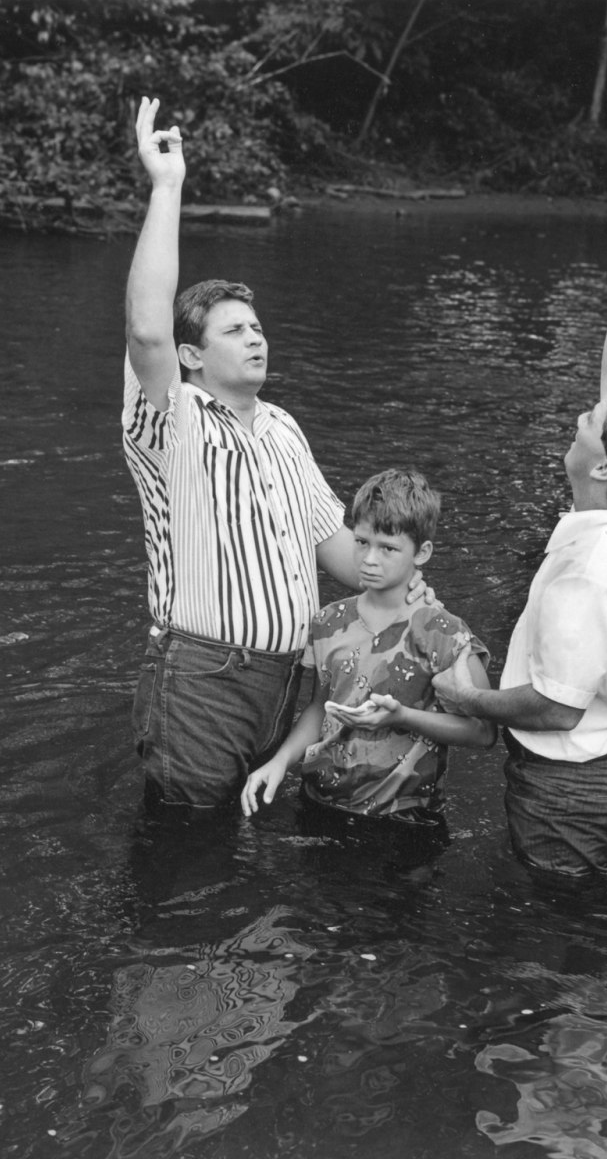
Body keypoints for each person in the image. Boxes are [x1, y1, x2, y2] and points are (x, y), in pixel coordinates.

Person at [120, 96, 423, 809]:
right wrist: (167, 187)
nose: (255, 337)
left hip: (292, 678)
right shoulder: (171, 418)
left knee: (246, 833)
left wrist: (408, 590)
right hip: (203, 679)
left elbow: (336, 547)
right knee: (187, 845)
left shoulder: (283, 426)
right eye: (234, 331)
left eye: (256, 327)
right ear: (191, 355)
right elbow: (146, 328)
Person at [433, 211, 607, 877]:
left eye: (590, 420)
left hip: (566, 789)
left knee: (560, 927)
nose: (584, 413)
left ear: (603, 465)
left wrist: (468, 700)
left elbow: (555, 708)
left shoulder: (592, 576)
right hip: (600, 774)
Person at [240, 469, 495, 825]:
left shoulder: (445, 634)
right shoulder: (328, 621)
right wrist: (280, 762)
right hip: (319, 806)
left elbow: (483, 732)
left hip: (406, 819)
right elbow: (319, 708)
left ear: (422, 553)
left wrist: (403, 717)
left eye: (388, 548)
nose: (369, 559)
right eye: (361, 542)